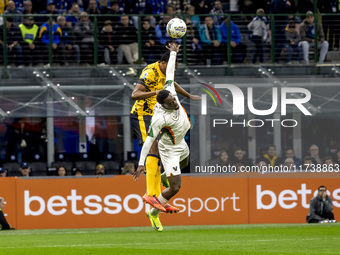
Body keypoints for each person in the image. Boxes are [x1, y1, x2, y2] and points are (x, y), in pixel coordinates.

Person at [130, 45, 200, 212]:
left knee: (184, 158)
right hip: (144, 114)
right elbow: (134, 94)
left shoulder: (169, 84)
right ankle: (151, 195)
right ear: (162, 62)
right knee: (153, 149)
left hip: (160, 110)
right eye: (171, 65)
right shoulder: (150, 73)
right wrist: (140, 164)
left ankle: (162, 179)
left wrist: (175, 52)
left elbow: (171, 80)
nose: (176, 103)